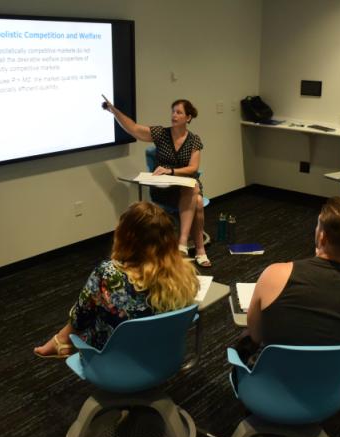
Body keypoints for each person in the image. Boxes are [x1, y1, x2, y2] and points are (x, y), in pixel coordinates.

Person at [33, 201, 199, 358]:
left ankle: (61, 340)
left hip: (116, 359)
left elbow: (81, 317)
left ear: (126, 237)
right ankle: (61, 340)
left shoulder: (109, 273)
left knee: (90, 308)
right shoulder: (184, 273)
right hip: (164, 354)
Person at [242, 197, 340, 360]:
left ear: (322, 237)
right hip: (330, 384)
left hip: (270, 382)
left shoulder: (274, 274)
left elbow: (256, 335)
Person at [102, 97, 212, 267]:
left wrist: (171, 171)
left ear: (188, 117)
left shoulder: (194, 140)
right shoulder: (161, 134)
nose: (174, 115)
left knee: (194, 191)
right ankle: (198, 250)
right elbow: (134, 129)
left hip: (185, 186)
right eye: (173, 111)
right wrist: (113, 111)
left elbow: (193, 168)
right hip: (165, 189)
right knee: (196, 198)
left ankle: (183, 243)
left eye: (179, 112)